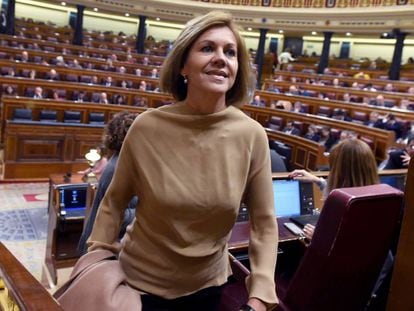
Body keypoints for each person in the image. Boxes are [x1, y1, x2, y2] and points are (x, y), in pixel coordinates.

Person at [87, 11, 278, 311]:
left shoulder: (252, 136)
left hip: (206, 289)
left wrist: (259, 295)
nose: (221, 58)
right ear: (183, 65)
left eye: (230, 52)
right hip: (136, 287)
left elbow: (264, 224)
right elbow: (113, 203)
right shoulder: (147, 127)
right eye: (207, 48)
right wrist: (97, 262)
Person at [288, 138, 380, 240]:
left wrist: (320, 238)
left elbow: (343, 246)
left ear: (341, 173)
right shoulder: (379, 197)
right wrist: (318, 181)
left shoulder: (342, 206)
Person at [78, 112, 139, 256]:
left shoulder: (124, 160)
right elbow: (118, 215)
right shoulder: (120, 166)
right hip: (104, 246)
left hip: (109, 242)